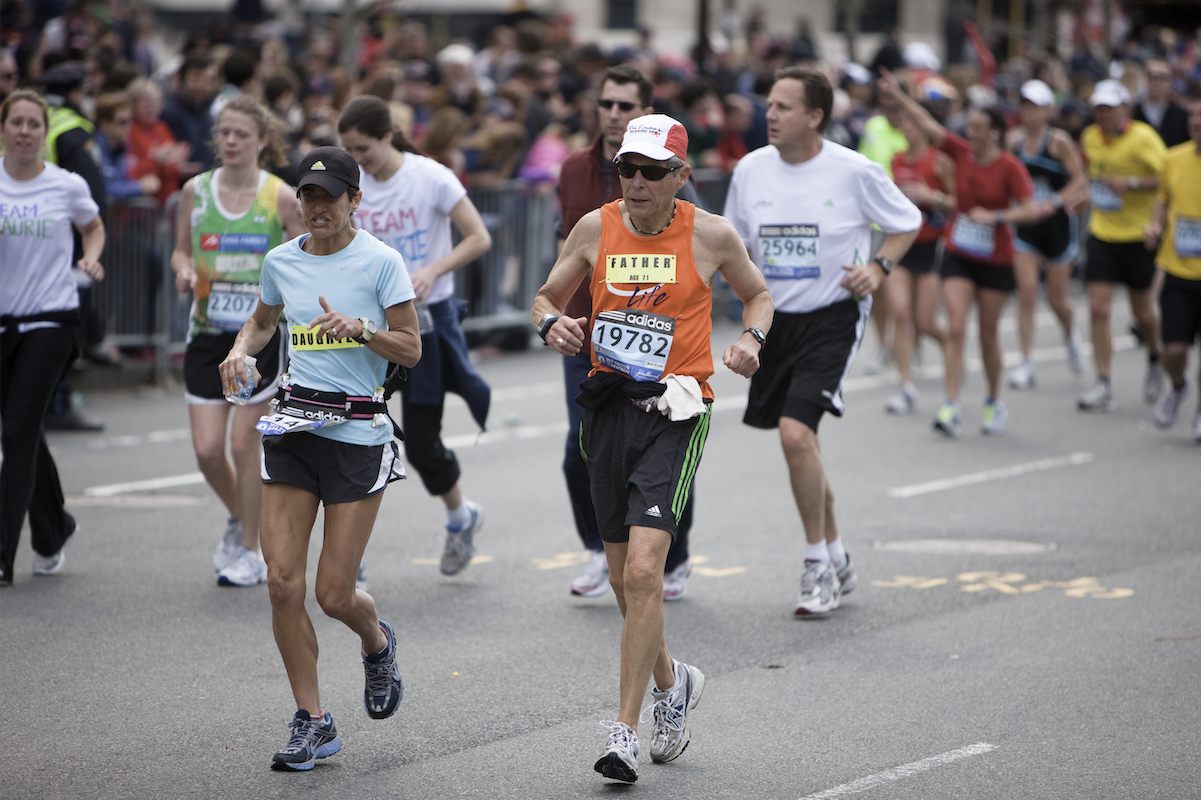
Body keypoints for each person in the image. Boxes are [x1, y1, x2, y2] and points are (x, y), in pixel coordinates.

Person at [533, 113, 774, 784]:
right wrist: (553, 322)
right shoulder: (594, 227)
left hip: (677, 408)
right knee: (621, 579)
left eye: (649, 172)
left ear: (680, 176)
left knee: (644, 573)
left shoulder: (710, 234)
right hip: (607, 408)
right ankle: (675, 680)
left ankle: (623, 731)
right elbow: (544, 296)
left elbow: (757, 297)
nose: (634, 183)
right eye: (625, 169)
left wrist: (750, 342)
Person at [218, 146, 420, 771]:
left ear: (355, 201)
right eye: (308, 196)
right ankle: (314, 720)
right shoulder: (281, 261)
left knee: (334, 595)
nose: (317, 208)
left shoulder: (382, 262)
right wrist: (239, 351)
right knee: (282, 584)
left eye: (330, 197)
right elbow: (261, 322)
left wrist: (361, 330)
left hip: (358, 434)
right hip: (293, 427)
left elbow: (410, 349)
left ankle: (377, 641)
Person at [724, 67, 919, 617]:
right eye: (769, 104)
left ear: (815, 116)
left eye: (784, 106)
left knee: (794, 435)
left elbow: (907, 221)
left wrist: (878, 268)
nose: (771, 114)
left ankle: (816, 567)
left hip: (833, 316)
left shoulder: (854, 171)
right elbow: (734, 248)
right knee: (802, 442)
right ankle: (836, 553)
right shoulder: (751, 170)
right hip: (772, 320)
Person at [556, 64, 703, 601]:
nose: (613, 113)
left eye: (625, 105)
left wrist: (748, 339)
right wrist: (556, 317)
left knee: (659, 462)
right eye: (607, 103)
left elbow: (696, 258)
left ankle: (672, 555)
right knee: (583, 455)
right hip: (589, 338)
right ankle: (603, 551)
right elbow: (565, 248)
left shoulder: (680, 192)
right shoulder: (574, 169)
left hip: (664, 355)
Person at [337, 95, 492, 578]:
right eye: (349, 150)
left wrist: (430, 270)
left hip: (427, 321)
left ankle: (460, 517)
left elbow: (478, 237)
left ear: (388, 136)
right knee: (352, 431)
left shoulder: (431, 177)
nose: (356, 159)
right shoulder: (353, 186)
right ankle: (350, 556)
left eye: (363, 148)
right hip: (367, 324)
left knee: (422, 444)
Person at [171, 95, 306, 586]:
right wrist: (185, 270)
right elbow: (180, 252)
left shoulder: (281, 197)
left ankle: (250, 548)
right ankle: (240, 517)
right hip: (208, 333)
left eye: (240, 134)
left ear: (261, 142)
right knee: (208, 451)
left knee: (244, 446)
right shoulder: (195, 192)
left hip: (259, 336)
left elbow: (300, 254)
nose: (229, 141)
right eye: (223, 133)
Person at [880, 67, 1044, 438]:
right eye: (968, 126)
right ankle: (950, 405)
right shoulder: (961, 152)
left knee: (987, 335)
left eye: (978, 128)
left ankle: (992, 400)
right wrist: (899, 95)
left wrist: (997, 215)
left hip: (996, 258)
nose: (970, 132)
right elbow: (926, 122)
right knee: (955, 327)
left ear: (995, 133)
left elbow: (1030, 208)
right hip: (958, 252)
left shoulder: (1010, 167)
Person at [1, 89, 106, 586]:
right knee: (22, 431)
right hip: (4, 324)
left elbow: (93, 226)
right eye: (16, 122)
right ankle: (53, 528)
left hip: (52, 319)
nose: (24, 130)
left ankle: (3, 554)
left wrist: (90, 256)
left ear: (45, 133)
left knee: (18, 429)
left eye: (33, 124)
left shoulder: (64, 185)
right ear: (4, 129)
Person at [1077, 79, 1167, 412]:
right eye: (1098, 108)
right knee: (1098, 309)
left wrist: (1130, 182)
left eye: (1110, 108)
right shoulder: (1090, 138)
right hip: (1102, 234)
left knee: (1142, 313)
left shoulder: (1143, 138)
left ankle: (1156, 356)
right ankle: (1102, 382)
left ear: (1124, 109)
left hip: (1137, 237)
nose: (1103, 114)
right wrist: (1084, 196)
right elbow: (1093, 179)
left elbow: (1167, 177)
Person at [1005, 79, 1089, 389]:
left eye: (1035, 107)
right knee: (1026, 294)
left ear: (1047, 110)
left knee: (1056, 300)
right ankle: (1026, 361)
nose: (1029, 112)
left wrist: (1054, 201)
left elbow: (1080, 181)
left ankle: (1070, 334)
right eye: (1025, 106)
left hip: (1056, 226)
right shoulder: (1013, 141)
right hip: (1027, 226)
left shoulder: (1059, 142)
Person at [885, 105, 953, 414]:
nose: (908, 127)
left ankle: (952, 345)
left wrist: (931, 196)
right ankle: (906, 386)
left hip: (931, 246)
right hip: (902, 244)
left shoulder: (939, 162)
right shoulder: (897, 159)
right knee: (900, 314)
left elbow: (959, 201)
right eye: (905, 122)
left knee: (924, 323)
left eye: (914, 122)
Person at [1144, 94, 1201, 442]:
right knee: (1174, 350)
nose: (1196, 122)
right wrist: (1154, 225)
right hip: (1178, 270)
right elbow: (1162, 202)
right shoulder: (1173, 158)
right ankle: (1178, 386)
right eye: (1194, 117)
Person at [1133, 59, 1189, 149]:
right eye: (1153, 77)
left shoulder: (1183, 116)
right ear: (1145, 79)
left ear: (1170, 82)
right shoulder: (1132, 114)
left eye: (1163, 78)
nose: (1157, 83)